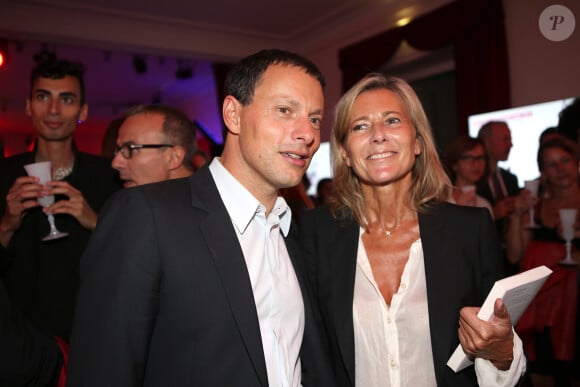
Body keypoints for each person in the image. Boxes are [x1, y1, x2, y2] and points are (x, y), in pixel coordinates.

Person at [67, 49, 333, 386]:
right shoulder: (147, 216)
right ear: (233, 115)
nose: (307, 134)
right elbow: (103, 371)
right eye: (284, 110)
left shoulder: (295, 231)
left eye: (314, 118)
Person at [300, 74, 526, 386]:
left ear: (417, 142)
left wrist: (501, 353)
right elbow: (311, 355)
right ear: (346, 153)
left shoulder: (469, 231)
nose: (378, 135)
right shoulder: (315, 233)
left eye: (392, 120)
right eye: (360, 126)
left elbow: (496, 348)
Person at [0, 58, 120, 346]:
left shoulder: (109, 176)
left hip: (91, 338)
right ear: (29, 106)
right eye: (43, 97)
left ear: (83, 111)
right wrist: (7, 224)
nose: (53, 110)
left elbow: (133, 260)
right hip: (18, 346)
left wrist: (95, 220)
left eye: (66, 99)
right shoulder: (3, 176)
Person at [505, 136, 580, 387]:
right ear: (542, 172)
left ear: (576, 162)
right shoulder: (536, 208)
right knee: (543, 374)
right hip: (545, 308)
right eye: (551, 165)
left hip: (577, 304)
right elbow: (515, 256)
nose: (560, 169)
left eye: (564, 161)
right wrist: (517, 214)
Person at [111, 104, 196, 187]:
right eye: (119, 149)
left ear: (174, 157)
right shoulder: (128, 199)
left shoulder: (206, 200)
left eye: (131, 149)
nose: (115, 163)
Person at [443, 135, 493, 217]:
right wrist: (459, 210)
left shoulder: (484, 204)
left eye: (480, 158)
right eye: (469, 158)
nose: (476, 164)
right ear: (455, 164)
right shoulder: (442, 200)